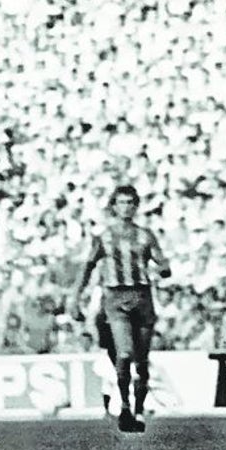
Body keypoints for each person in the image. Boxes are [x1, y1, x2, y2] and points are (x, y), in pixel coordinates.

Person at [75, 185, 171, 432]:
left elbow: (163, 262)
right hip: (116, 299)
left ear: (136, 206)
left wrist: (162, 268)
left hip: (142, 298)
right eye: (121, 202)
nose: (126, 207)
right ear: (114, 206)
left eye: (130, 202)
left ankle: (139, 410)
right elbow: (87, 267)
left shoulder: (145, 236)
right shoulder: (104, 237)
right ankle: (126, 407)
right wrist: (74, 297)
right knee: (124, 353)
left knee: (142, 360)